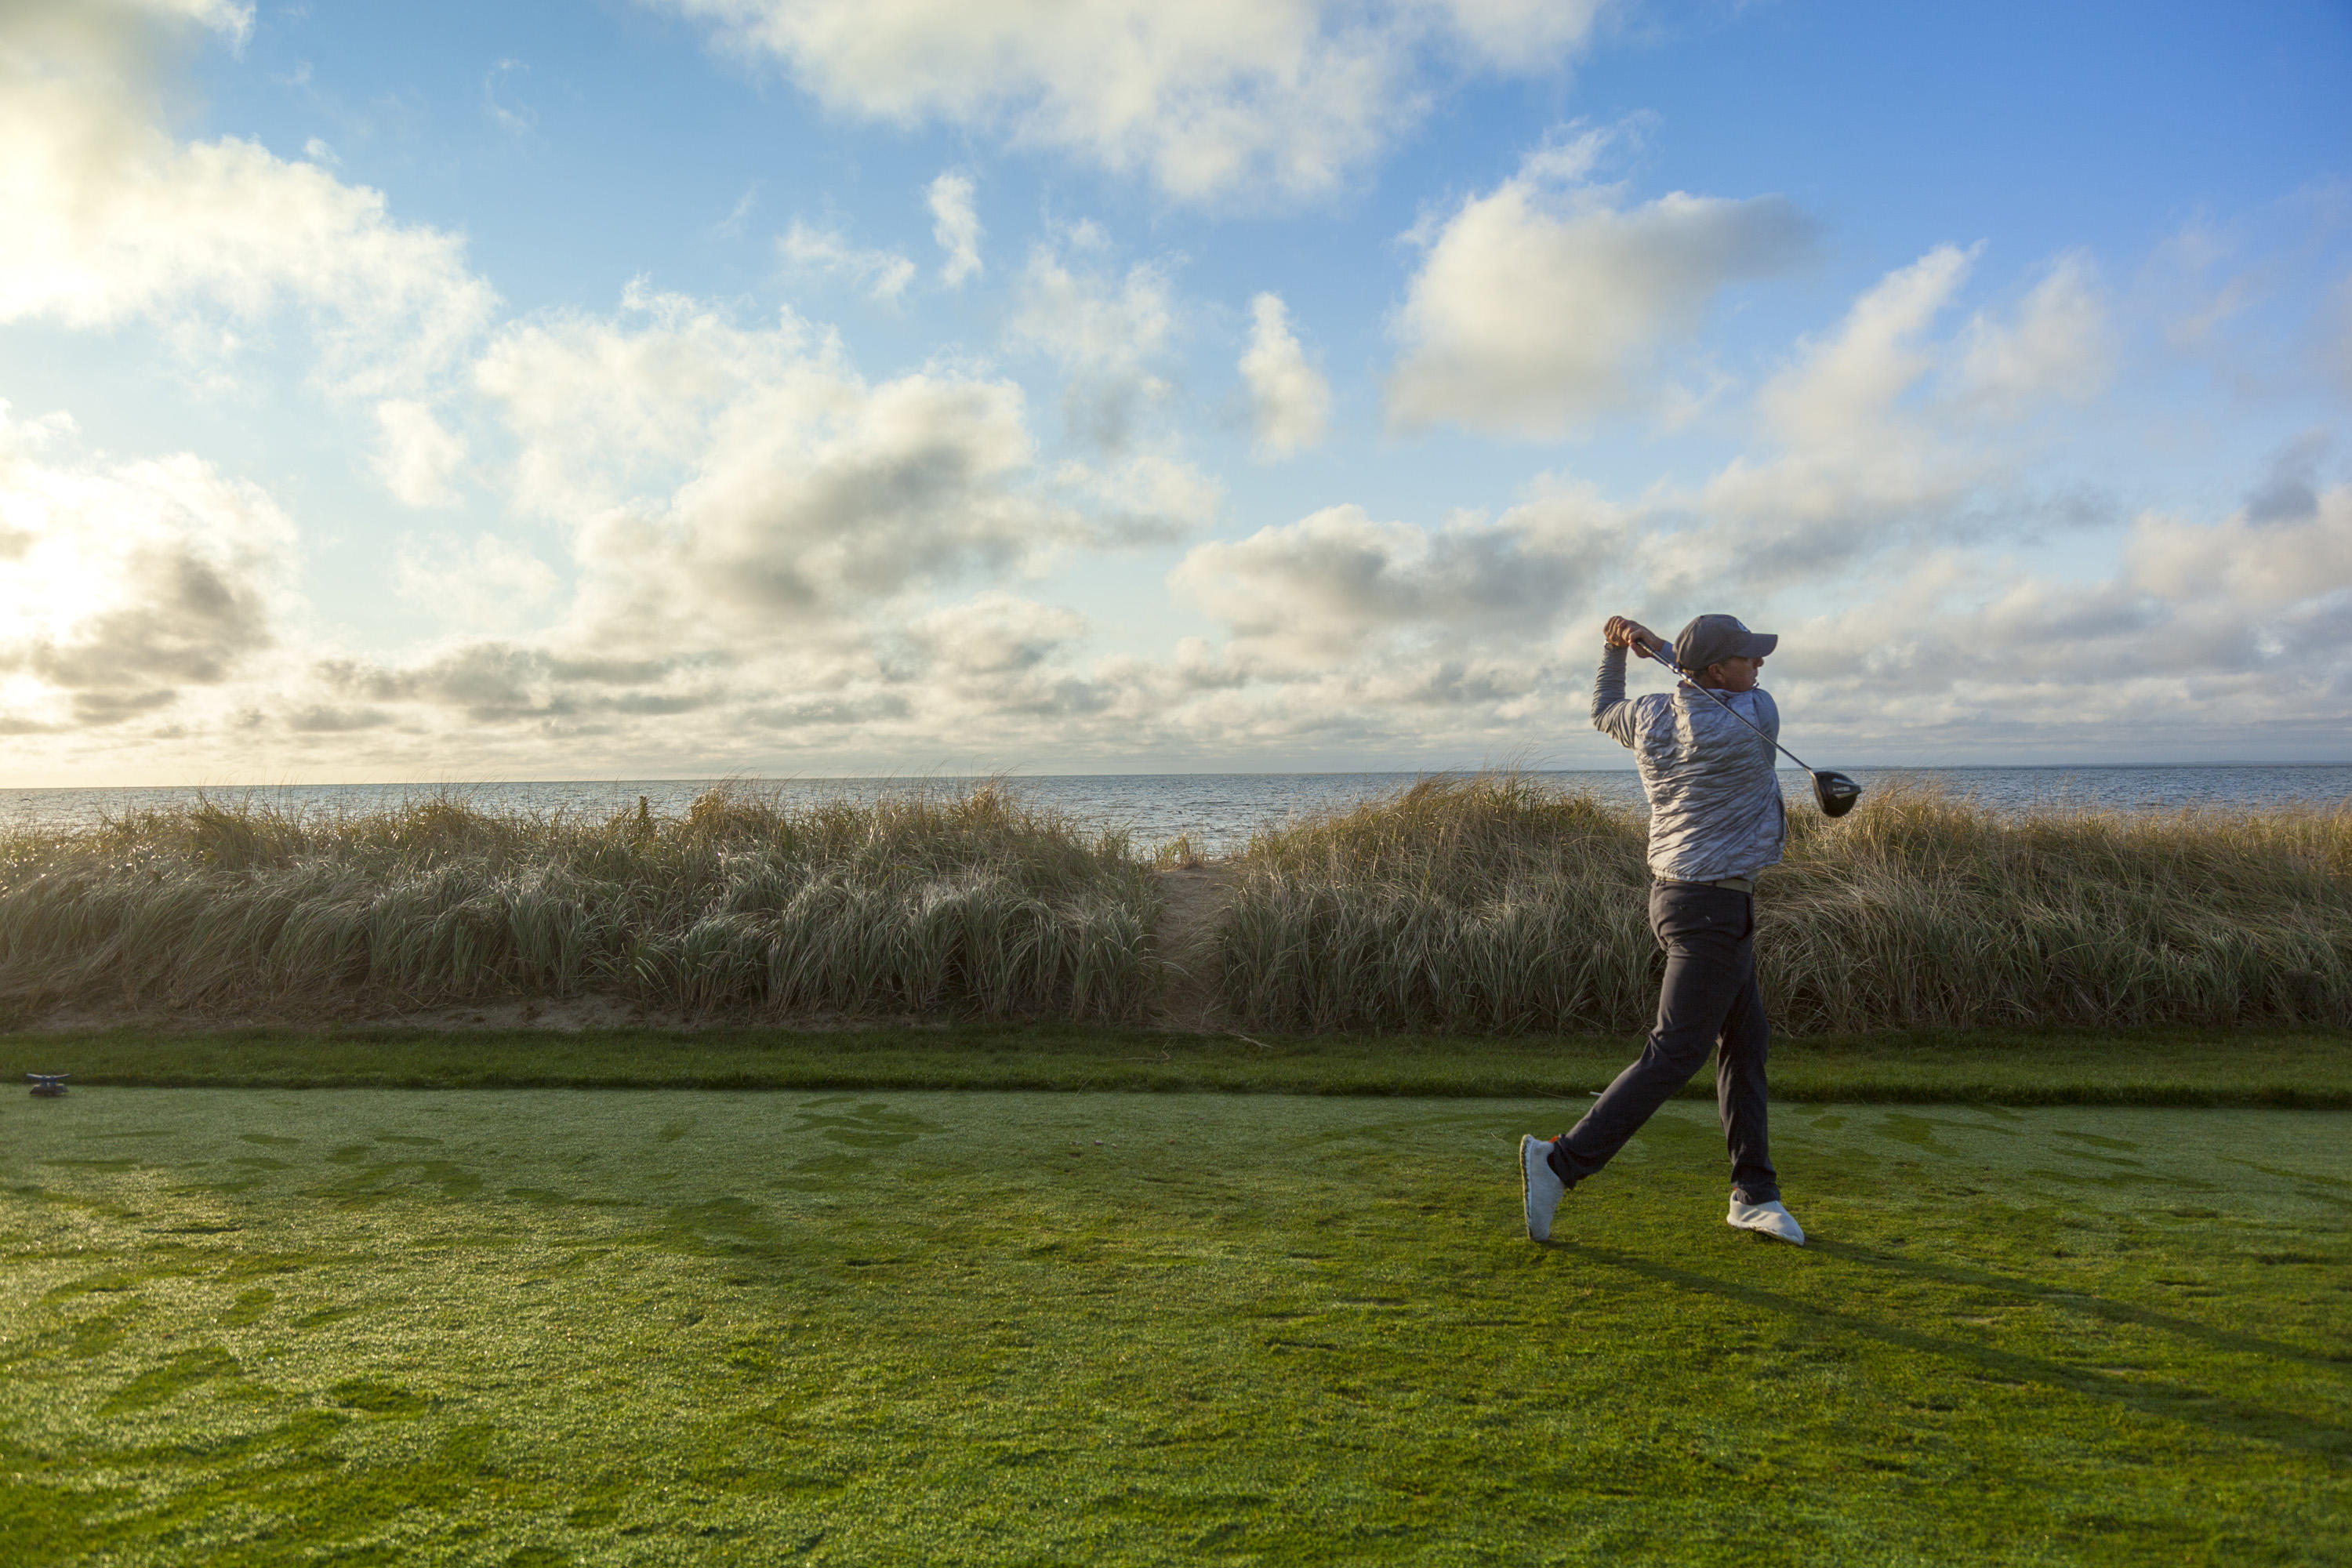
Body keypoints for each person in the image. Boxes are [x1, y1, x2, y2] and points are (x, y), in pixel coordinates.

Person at [1519, 612, 1806, 1246]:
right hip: (1711, 909)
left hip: (1682, 898)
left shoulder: (1649, 716)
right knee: (1675, 1053)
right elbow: (1736, 693)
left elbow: (1603, 708)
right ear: (1714, 672)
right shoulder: (1754, 719)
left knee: (1745, 1044)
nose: (1759, 664)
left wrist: (1619, 650)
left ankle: (1754, 1193)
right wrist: (1665, 648)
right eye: (1745, 657)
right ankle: (1561, 1162)